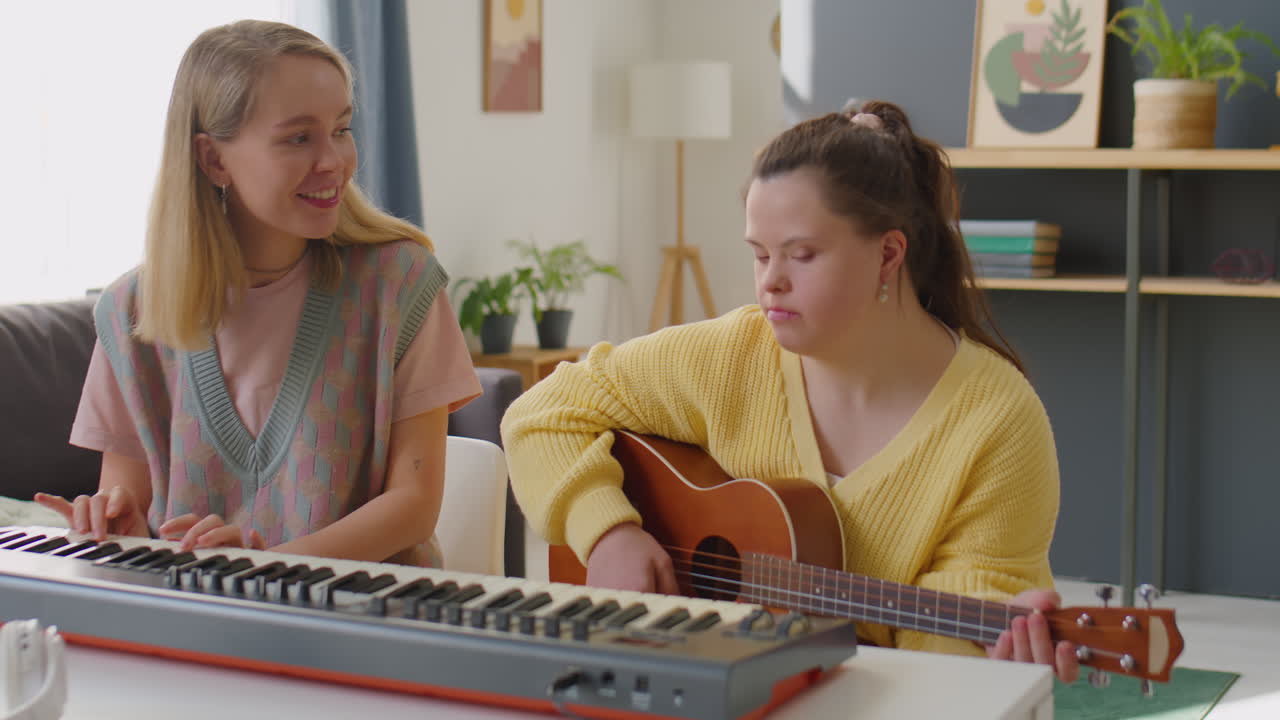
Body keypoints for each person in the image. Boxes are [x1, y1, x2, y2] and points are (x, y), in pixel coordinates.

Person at [501, 101, 1078, 681]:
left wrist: (991, 664)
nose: (770, 281)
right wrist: (608, 532)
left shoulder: (999, 421)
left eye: (801, 255)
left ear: (888, 254)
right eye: (759, 254)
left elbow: (946, 665)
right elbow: (541, 412)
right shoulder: (732, 354)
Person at [34, 20, 480, 567]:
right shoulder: (131, 312)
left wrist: (268, 568)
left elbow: (412, 506)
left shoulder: (400, 284)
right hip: (199, 624)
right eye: (299, 138)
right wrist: (118, 523)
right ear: (213, 159)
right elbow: (128, 495)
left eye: (340, 129)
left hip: (369, 621)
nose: (334, 161)